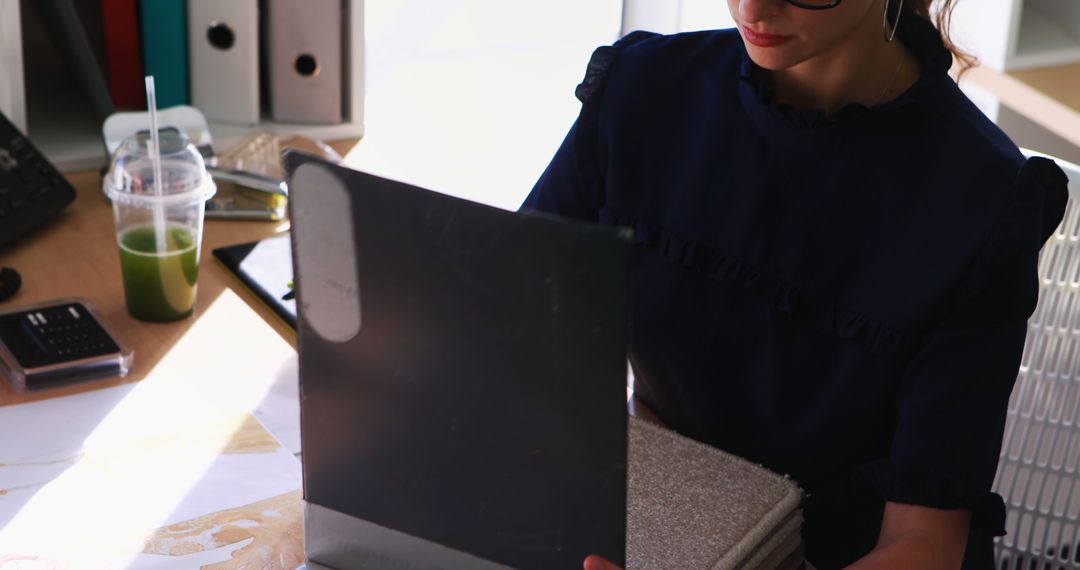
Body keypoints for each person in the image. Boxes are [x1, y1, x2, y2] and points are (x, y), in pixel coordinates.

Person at [521, 0, 1070, 568]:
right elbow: (505, 316)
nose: (751, 7)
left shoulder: (980, 199)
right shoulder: (647, 89)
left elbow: (923, 544)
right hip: (666, 523)